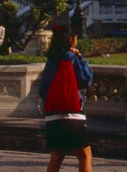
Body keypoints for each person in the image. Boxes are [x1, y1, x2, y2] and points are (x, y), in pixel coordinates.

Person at [38, 24, 94, 172]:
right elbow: (86, 79)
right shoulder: (71, 57)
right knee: (84, 155)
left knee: (57, 156)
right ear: (70, 39)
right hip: (72, 113)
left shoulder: (50, 60)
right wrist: (80, 57)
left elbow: (43, 88)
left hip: (52, 115)